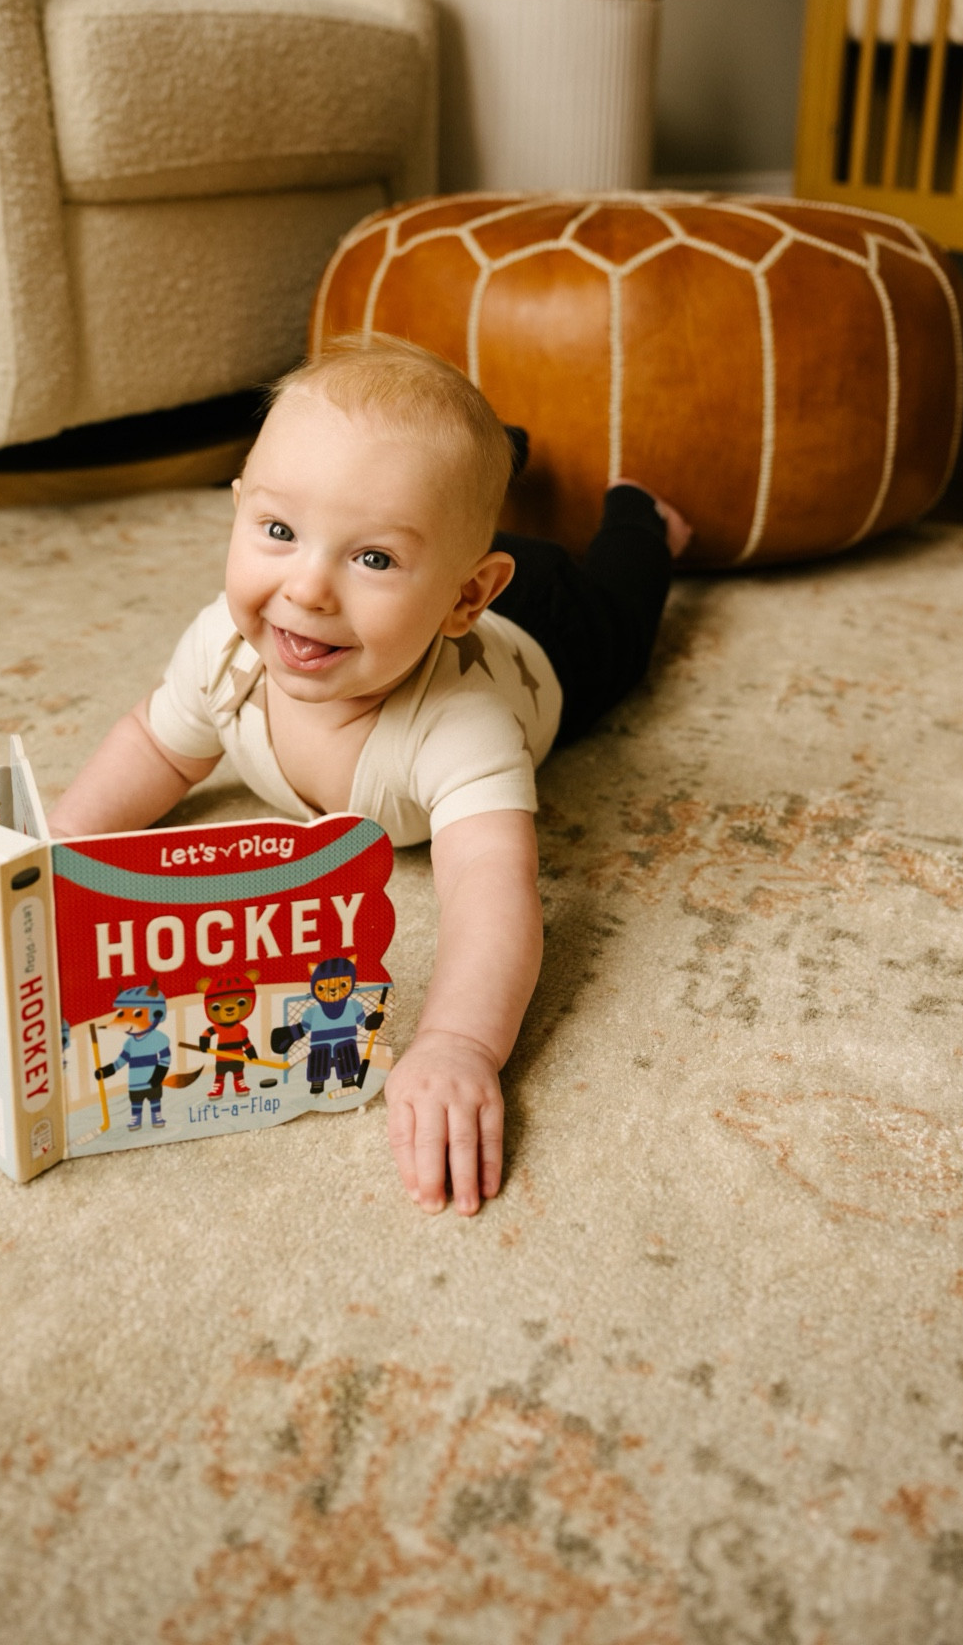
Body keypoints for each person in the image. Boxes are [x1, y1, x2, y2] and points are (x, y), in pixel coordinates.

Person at [49, 336, 689, 1215]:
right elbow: (157, 748)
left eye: (372, 559)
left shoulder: (462, 729)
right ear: (238, 511)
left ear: (469, 596)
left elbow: (492, 886)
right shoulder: (224, 651)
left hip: (550, 630)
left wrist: (460, 1042)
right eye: (278, 531)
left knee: (623, 616)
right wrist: (60, 849)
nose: (307, 589)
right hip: (454, 556)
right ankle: (473, 469)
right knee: (417, 486)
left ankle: (639, 517)